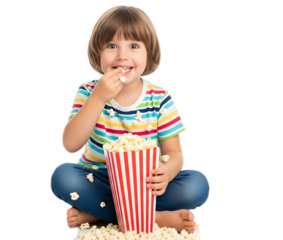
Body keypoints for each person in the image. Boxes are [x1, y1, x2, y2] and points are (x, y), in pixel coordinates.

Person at [50, 5, 210, 234]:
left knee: (198, 184)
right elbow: (70, 144)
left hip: (147, 183)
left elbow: (174, 153)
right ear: (97, 52)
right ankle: (152, 218)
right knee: (61, 176)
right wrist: (98, 99)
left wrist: (166, 172)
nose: (122, 55)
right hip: (100, 179)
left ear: (149, 53)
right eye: (112, 46)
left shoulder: (160, 98)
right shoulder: (87, 92)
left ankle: (99, 214)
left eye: (134, 46)